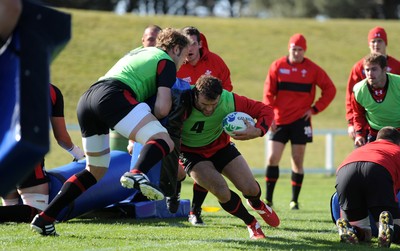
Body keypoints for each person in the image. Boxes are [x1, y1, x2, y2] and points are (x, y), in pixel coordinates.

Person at [30, 28, 190, 236]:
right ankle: (136, 173)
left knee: (93, 171)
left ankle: (45, 218)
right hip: (113, 95)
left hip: (88, 99)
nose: (185, 61)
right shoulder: (165, 61)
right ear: (176, 48)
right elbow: (161, 108)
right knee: (164, 140)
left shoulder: (139, 52)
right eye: (185, 55)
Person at [178, 75, 279, 239]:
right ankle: (251, 223)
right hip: (191, 153)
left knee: (251, 189)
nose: (209, 109)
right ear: (195, 94)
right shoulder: (181, 101)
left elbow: (265, 110)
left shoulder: (229, 99)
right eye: (204, 104)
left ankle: (256, 203)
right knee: (221, 191)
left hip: (220, 147)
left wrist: (258, 130)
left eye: (214, 104)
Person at [263, 33, 336, 210]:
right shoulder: (277, 66)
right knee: (273, 158)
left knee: (297, 160)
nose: (296, 53)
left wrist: (314, 109)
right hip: (279, 120)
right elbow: (268, 93)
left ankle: (294, 200)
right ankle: (268, 199)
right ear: (289, 49)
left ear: (305, 51)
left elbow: (330, 89)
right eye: (294, 49)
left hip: (300, 122)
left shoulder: (312, 69)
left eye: (300, 50)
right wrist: (269, 115)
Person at [174, 26, 233, 225]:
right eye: (185, 44)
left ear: (200, 44)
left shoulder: (216, 62)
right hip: (181, 128)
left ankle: (195, 210)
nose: (189, 49)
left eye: (192, 43)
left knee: (209, 167)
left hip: (211, 126)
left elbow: (227, 92)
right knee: (178, 170)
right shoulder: (175, 64)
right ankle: (174, 195)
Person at [0, 84, 85, 223]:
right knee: (39, 213)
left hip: (2, 153)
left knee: (11, 211)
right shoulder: (50, 90)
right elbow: (61, 137)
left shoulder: (5, 81)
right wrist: (79, 155)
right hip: (27, 154)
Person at [335, 126, 400, 248]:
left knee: (364, 232)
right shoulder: (397, 150)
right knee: (396, 225)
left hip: (344, 172)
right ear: (398, 142)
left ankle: (352, 231)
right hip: (378, 169)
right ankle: (388, 228)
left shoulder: (363, 148)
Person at [110, 24, 162, 151]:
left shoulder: (163, 60)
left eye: (158, 40)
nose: (154, 43)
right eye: (150, 39)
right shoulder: (132, 58)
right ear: (142, 40)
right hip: (125, 115)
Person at [345, 26, 400, 141]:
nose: (376, 44)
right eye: (373, 41)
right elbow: (353, 98)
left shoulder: (397, 66)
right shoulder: (359, 67)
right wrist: (352, 124)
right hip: (370, 126)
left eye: (379, 41)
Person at [351, 53, 400, 147]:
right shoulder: (359, 90)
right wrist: (359, 134)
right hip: (376, 133)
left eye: (374, 69)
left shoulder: (398, 84)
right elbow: (358, 114)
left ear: (384, 69)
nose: (369, 73)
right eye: (367, 70)